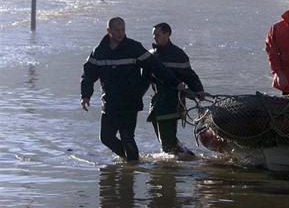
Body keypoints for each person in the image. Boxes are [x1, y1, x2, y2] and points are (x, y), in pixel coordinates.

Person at [80, 17, 183, 162]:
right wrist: (85, 96)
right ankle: (129, 160)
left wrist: (175, 82)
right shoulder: (99, 52)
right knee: (106, 138)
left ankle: (132, 167)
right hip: (109, 102)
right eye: (117, 30)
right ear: (108, 31)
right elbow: (88, 76)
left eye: (123, 30)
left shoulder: (133, 48)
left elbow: (156, 66)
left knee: (127, 137)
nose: (120, 33)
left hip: (130, 102)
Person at [146, 22, 205, 156]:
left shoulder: (178, 55)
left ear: (167, 34)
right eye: (154, 35)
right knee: (165, 142)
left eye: (157, 35)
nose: (155, 38)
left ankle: (179, 164)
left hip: (172, 103)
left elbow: (190, 75)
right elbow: (144, 80)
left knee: (167, 143)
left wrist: (198, 90)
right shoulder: (151, 54)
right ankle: (185, 157)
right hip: (156, 103)